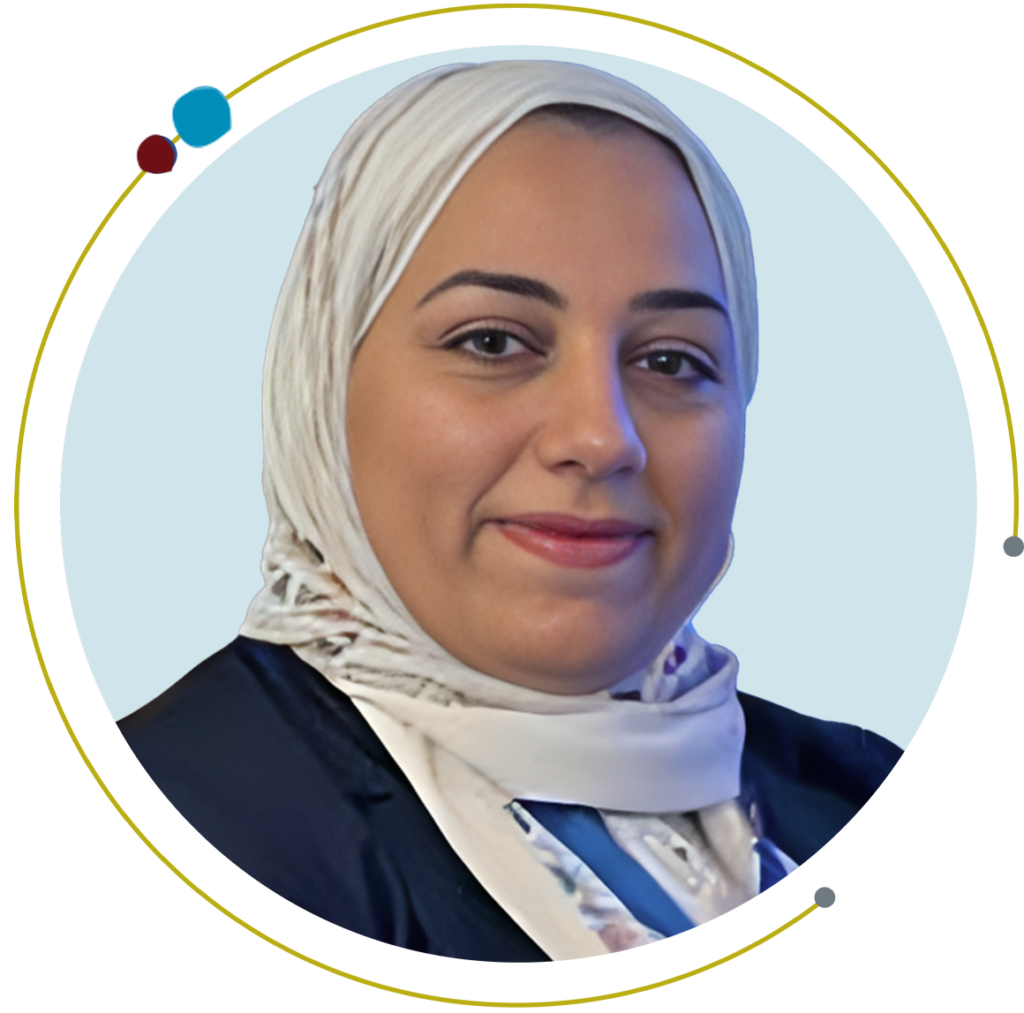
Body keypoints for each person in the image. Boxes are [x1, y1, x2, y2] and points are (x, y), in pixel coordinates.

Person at [117, 60, 903, 962]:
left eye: (671, 360)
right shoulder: (190, 814)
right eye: (492, 341)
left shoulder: (852, 789)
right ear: (322, 388)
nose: (601, 437)